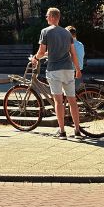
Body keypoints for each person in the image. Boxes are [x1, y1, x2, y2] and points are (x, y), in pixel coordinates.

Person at [31, 8, 83, 138]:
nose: (46, 18)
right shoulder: (67, 34)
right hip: (68, 69)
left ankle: (62, 131)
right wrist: (78, 69)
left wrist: (35, 58)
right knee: (72, 100)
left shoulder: (45, 32)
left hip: (54, 70)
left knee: (58, 102)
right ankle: (77, 130)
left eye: (47, 16)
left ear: (53, 17)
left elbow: (42, 52)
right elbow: (73, 53)